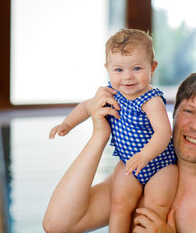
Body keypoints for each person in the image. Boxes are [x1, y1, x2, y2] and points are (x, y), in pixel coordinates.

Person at [43, 71, 196, 233]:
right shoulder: (139, 178)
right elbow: (57, 224)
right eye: (189, 111)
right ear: (171, 116)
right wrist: (99, 136)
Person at [48, 29, 178, 232]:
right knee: (119, 204)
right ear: (107, 69)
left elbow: (164, 132)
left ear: (152, 67)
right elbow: (85, 107)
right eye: (119, 70)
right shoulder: (111, 93)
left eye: (137, 68)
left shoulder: (151, 100)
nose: (128, 77)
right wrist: (67, 124)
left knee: (155, 208)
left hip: (160, 165)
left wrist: (145, 155)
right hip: (129, 164)